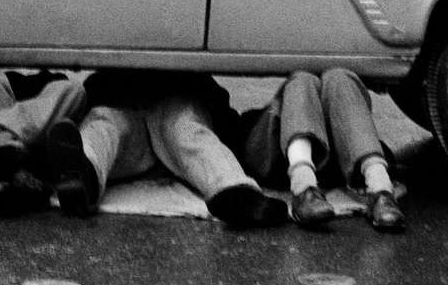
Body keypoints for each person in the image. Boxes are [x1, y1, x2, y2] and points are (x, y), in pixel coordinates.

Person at [45, 70, 289, 228]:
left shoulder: (192, 82)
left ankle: (234, 192)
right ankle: (80, 173)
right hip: (133, 112)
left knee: (178, 127)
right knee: (108, 125)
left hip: (160, 103)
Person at [236, 69, 405, 232]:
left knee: (340, 76)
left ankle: (380, 190)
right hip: (277, 153)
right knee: (303, 79)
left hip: (332, 156)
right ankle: (303, 187)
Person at [0, 64, 87, 216]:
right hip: (1, 93)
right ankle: (17, 173)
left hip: (46, 113)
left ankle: (3, 155)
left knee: (73, 89)